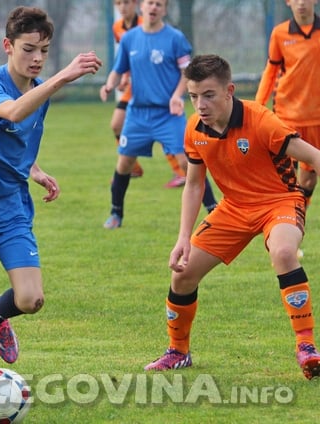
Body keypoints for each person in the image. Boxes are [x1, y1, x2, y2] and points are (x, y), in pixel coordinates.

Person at [0, 6, 102, 386]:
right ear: (7, 46)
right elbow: (10, 114)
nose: (37, 58)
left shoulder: (38, 92)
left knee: (31, 300)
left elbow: (15, 138)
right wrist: (62, 76)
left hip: (7, 208)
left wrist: (34, 169)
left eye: (44, 50)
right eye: (28, 49)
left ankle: (0, 315)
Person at [144, 54, 320, 380]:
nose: (200, 104)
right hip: (234, 208)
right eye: (193, 96)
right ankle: (178, 352)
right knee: (182, 275)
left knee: (284, 252)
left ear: (229, 91)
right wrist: (183, 238)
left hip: (279, 202)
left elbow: (314, 157)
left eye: (209, 95)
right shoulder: (194, 128)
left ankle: (306, 347)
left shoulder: (262, 121)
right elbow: (194, 185)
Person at [100, 0, 218, 229]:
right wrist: (108, 85)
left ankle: (213, 210)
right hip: (138, 114)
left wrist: (176, 96)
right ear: (142, 7)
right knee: (125, 163)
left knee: (188, 163)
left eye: (159, 4)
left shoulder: (175, 38)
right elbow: (118, 70)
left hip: (168, 114)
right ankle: (116, 213)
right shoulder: (129, 38)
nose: (154, 7)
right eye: (150, 3)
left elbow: (187, 73)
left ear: (164, 10)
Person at [108, 0, 186, 188]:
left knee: (166, 134)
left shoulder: (151, 25)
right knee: (116, 124)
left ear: (136, 5)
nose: (122, 7)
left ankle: (180, 172)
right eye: (119, 4)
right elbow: (128, 59)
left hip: (156, 92)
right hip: (136, 89)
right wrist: (121, 79)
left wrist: (176, 95)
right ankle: (132, 167)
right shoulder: (118, 28)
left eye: (126, 3)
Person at [255, 0, 320, 205]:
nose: (301, 3)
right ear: (288, 2)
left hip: (316, 119)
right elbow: (271, 71)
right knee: (285, 178)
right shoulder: (280, 33)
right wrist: (258, 106)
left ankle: (298, 213)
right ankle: (288, 218)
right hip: (287, 116)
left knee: (308, 180)